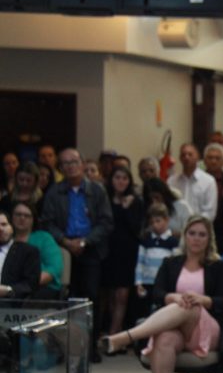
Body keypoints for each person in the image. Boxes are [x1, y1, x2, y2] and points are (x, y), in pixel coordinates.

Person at [101, 216, 223, 373]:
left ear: (210, 238)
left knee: (189, 305)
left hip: (207, 330)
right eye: (192, 233)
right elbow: (158, 293)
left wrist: (202, 300)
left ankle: (126, 337)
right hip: (176, 328)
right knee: (165, 338)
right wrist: (172, 296)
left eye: (202, 234)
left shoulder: (219, 266)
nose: (196, 239)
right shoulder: (170, 263)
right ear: (184, 236)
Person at [41, 148, 113, 362]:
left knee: (91, 299)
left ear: (82, 164)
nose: (70, 166)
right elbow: (47, 222)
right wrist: (65, 241)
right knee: (68, 300)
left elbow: (106, 222)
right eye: (65, 163)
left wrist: (85, 241)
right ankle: (67, 347)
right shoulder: (54, 192)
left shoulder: (97, 190)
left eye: (74, 162)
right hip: (63, 250)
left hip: (91, 249)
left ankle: (90, 348)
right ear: (61, 168)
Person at [101, 166, 144, 341]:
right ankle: (116, 331)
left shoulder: (136, 201)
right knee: (110, 293)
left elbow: (137, 229)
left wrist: (126, 209)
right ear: (111, 180)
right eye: (117, 177)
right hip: (109, 250)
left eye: (125, 178)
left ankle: (114, 335)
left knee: (122, 294)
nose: (121, 181)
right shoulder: (105, 200)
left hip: (128, 251)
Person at [10, 200, 62, 299]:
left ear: (33, 219)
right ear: (11, 217)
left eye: (27, 215)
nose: (22, 218)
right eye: (18, 214)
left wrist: (25, 285)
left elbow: (53, 268)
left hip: (41, 288)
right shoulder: (5, 239)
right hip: (8, 289)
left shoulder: (44, 238)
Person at [134, 203, 180, 316]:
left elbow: (175, 265)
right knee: (145, 312)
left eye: (158, 221)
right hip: (147, 282)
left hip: (164, 284)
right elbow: (140, 262)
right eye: (152, 222)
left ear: (166, 220)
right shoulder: (146, 240)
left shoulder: (173, 242)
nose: (155, 225)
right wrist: (139, 282)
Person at [167, 143, 217, 221]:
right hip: (176, 229)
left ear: (198, 157)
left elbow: (210, 213)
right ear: (180, 158)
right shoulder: (172, 181)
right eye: (183, 155)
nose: (186, 157)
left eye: (190, 154)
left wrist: (192, 225)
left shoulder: (208, 181)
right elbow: (169, 206)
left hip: (198, 228)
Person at [0, 210, 41, 299]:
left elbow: (31, 285)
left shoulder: (28, 252)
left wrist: (8, 290)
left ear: (12, 227)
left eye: (4, 224)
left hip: (11, 306)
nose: (0, 229)